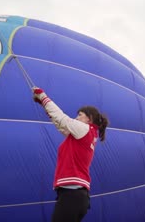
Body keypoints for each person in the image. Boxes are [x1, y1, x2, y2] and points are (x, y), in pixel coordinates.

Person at [33, 87, 109, 222]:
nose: (76, 117)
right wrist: (44, 106)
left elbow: (62, 119)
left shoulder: (84, 129)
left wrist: (43, 96)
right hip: (76, 196)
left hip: (72, 194)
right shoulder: (85, 134)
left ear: (89, 119)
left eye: (80, 114)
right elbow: (61, 125)